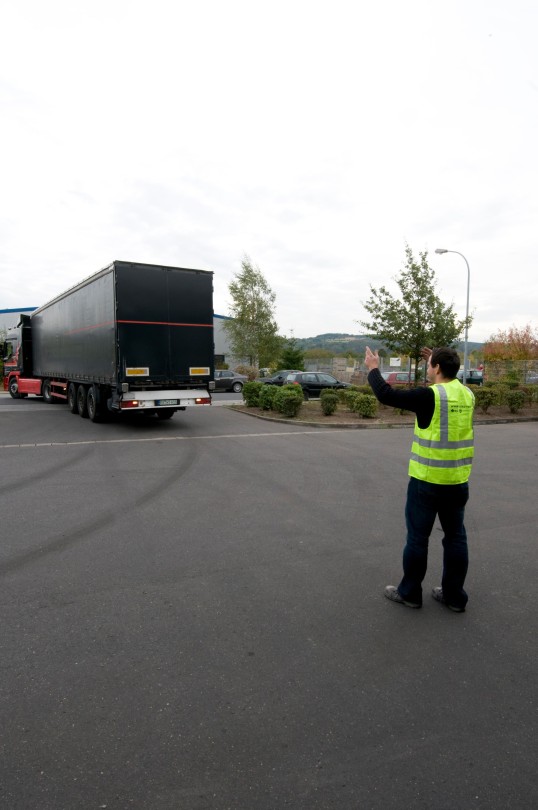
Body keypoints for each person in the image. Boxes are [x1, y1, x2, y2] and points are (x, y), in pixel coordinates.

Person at [364, 346, 475, 612]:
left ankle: (410, 593)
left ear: (437, 368)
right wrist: (436, 362)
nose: (427, 369)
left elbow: (386, 394)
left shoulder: (430, 396)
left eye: (430, 366)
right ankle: (454, 597)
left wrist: (372, 368)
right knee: (456, 538)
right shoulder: (468, 394)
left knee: (417, 538)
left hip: (426, 482)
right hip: (458, 482)